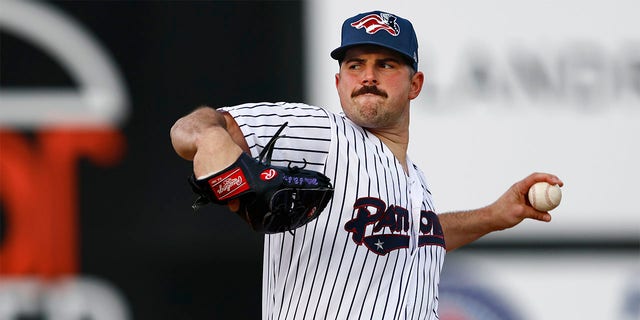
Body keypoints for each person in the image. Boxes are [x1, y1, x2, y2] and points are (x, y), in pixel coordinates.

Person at [170, 10, 563, 320]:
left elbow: (418, 238)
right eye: (355, 65)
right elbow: (189, 130)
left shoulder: (415, 180)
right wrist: (215, 142)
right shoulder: (323, 134)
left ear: (415, 84)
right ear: (339, 81)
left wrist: (494, 215)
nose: (368, 77)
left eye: (386, 65)